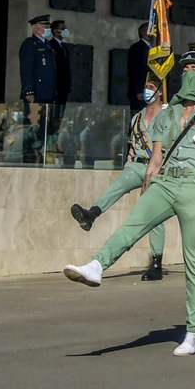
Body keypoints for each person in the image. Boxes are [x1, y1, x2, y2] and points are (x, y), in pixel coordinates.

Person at [62, 50, 195, 357]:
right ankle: (97, 266)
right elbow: (156, 158)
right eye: (186, 68)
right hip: (165, 182)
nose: (189, 72)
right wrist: (148, 187)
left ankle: (193, 333)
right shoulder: (168, 113)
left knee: (194, 263)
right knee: (132, 225)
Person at [68, 73, 169, 280]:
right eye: (146, 86)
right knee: (118, 185)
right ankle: (92, 213)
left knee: (153, 211)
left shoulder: (167, 117)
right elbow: (133, 142)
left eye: (151, 87)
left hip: (157, 167)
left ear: (160, 92)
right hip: (137, 164)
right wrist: (130, 157)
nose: (147, 90)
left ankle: (157, 263)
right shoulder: (137, 117)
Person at [18, 14, 60, 112]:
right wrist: (29, 91)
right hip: (37, 91)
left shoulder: (47, 44)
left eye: (49, 27)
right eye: (45, 27)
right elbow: (26, 69)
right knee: (34, 118)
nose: (48, 29)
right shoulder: (29, 44)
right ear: (36, 27)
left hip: (48, 91)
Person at [127, 24, 152, 115]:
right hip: (141, 91)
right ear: (144, 33)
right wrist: (138, 91)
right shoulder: (136, 48)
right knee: (139, 117)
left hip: (152, 91)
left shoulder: (154, 48)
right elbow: (133, 71)